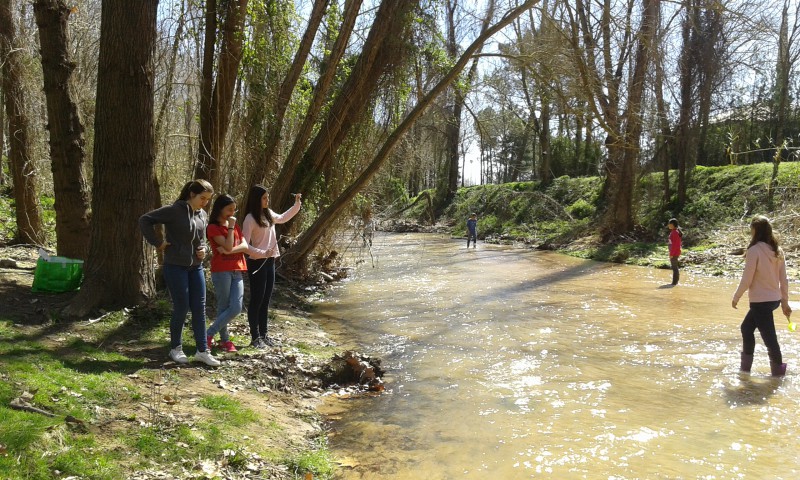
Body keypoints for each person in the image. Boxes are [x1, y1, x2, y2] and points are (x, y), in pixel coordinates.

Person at [139, 179, 220, 367]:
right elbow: (145, 220)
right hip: (175, 266)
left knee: (200, 308)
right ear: (191, 194)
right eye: (202, 198)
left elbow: (201, 239)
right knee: (182, 307)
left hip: (196, 267)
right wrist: (158, 243)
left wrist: (204, 250)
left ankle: (202, 351)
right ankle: (176, 348)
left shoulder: (203, 215)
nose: (205, 203)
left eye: (208, 199)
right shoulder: (174, 211)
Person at [242, 186, 302, 349]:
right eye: (264, 198)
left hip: (270, 262)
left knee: (266, 299)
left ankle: (264, 335)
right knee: (257, 299)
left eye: (268, 197)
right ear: (256, 200)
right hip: (257, 263)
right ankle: (255, 338)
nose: (267, 200)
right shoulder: (249, 219)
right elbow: (244, 245)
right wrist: (262, 252)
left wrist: (297, 203)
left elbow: (283, 217)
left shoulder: (268, 214)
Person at [732, 215, 792, 376]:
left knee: (770, 339)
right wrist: (784, 302)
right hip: (774, 300)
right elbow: (783, 279)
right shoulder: (777, 250)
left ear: (755, 230)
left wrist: (736, 296)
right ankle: (745, 372)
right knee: (746, 328)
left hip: (760, 301)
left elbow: (747, 278)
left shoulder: (754, 250)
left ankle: (778, 374)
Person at [206, 194, 253, 353]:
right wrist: (231, 229)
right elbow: (227, 243)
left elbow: (245, 245)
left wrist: (229, 250)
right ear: (220, 209)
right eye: (229, 209)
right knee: (223, 306)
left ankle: (209, 333)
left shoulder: (234, 224)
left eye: (234, 209)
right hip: (221, 271)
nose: (232, 213)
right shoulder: (213, 227)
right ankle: (225, 341)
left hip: (237, 269)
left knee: (236, 307)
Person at [667, 218, 683, 285]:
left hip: (675, 252)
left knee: (674, 268)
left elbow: (675, 245)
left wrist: (671, 254)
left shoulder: (675, 232)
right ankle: (675, 282)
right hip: (675, 252)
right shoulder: (674, 232)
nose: (668, 225)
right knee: (674, 267)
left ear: (673, 225)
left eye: (670, 224)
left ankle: (674, 282)